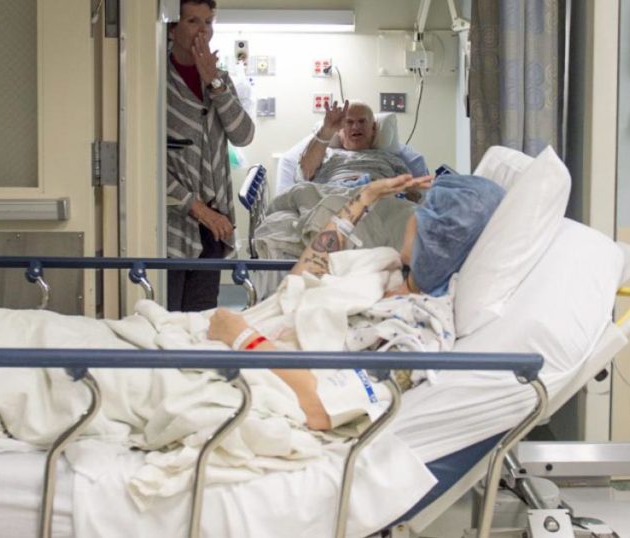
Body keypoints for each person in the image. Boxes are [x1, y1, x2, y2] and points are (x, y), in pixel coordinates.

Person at [208, 173, 506, 430]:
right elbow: (303, 279)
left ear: (436, 237)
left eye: (425, 212)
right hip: (237, 345)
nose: (414, 215)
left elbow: (322, 408)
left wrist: (242, 338)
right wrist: (365, 197)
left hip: (246, 377)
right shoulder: (387, 270)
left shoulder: (419, 330)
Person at [166, 0, 254, 312]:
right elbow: (147, 166)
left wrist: (215, 83)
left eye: (208, 22)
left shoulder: (220, 79)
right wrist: (198, 209)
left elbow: (243, 135)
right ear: (172, 29)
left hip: (214, 225)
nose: (203, 31)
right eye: (193, 21)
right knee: (169, 317)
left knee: (202, 318)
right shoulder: (155, 81)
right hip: (172, 225)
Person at [297, 100, 411, 184]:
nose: (356, 127)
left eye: (362, 121)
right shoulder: (325, 154)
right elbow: (305, 172)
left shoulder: (391, 159)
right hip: (333, 197)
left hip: (378, 200)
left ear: (374, 128)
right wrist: (326, 130)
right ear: (339, 130)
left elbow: (413, 195)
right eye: (349, 122)